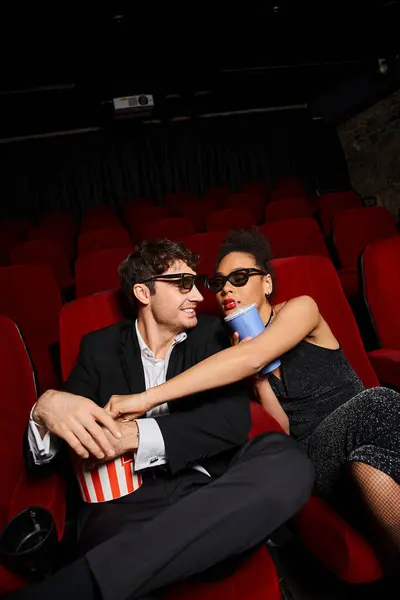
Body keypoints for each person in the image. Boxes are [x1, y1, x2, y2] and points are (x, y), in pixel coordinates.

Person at [9, 239, 313, 600]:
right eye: (183, 284)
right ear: (143, 292)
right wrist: (44, 413)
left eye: (196, 284)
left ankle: (76, 586)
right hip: (125, 507)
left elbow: (230, 423)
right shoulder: (98, 347)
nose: (199, 296)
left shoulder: (214, 334)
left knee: (288, 461)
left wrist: (134, 435)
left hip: (208, 492)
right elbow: (63, 440)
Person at [108, 229, 400, 569]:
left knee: (371, 470)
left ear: (267, 284)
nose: (227, 289)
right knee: (379, 399)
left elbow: (258, 354)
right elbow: (282, 429)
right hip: (315, 457)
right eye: (219, 283)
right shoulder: (231, 357)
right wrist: (258, 382)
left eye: (240, 277)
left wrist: (143, 399)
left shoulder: (301, 309)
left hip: (369, 436)